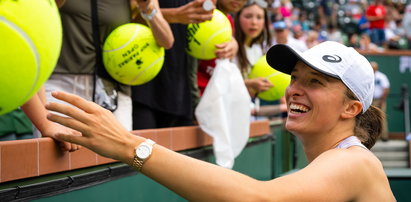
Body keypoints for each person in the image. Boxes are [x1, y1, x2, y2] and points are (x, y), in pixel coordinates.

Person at [46, 41, 395, 201]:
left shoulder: (353, 162)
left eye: (315, 82)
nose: (295, 90)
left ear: (351, 108)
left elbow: (260, 200)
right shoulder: (340, 160)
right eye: (295, 78)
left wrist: (127, 145)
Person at [44, 0, 173, 134]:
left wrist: (147, 8)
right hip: (60, 83)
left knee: (119, 150)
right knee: (61, 149)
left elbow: (167, 41)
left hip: (113, 89)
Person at [131, 0, 215, 129]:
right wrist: (174, 15)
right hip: (140, 85)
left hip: (181, 93)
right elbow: (123, 18)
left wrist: (231, 42)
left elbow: (214, 19)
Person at [371, 61, 390, 141]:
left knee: (381, 118)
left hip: (379, 99)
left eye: (374, 67)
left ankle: (384, 136)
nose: (372, 68)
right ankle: (372, 137)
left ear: (377, 68)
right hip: (370, 100)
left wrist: (382, 101)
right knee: (370, 118)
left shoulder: (381, 76)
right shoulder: (368, 75)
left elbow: (386, 89)